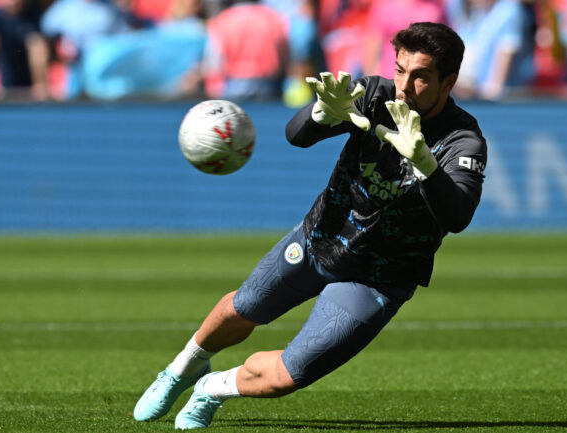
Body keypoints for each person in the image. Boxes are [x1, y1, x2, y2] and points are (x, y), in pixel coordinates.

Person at [133, 21, 487, 430]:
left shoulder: (463, 140)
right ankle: (179, 370)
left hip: (379, 278)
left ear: (449, 82)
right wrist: (321, 113)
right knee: (244, 308)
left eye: (421, 76)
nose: (404, 86)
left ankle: (211, 387)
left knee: (286, 377)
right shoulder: (374, 95)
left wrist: (426, 164)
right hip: (320, 239)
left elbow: (458, 217)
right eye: (399, 70)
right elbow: (296, 136)